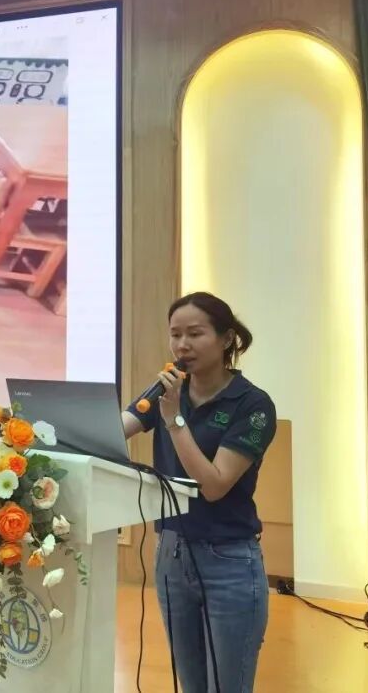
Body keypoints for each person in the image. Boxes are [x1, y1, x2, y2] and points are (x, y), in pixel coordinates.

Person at [122, 292, 277, 693]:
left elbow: (214, 485)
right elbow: (116, 430)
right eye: (175, 334)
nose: (182, 345)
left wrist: (174, 419)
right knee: (191, 684)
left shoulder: (253, 405)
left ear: (226, 339)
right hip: (172, 553)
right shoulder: (167, 390)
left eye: (195, 333)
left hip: (229, 560)